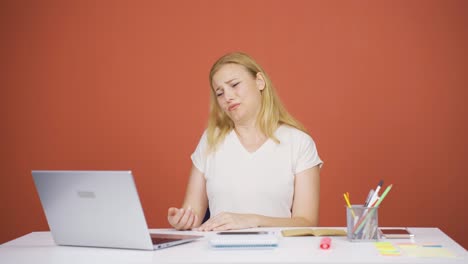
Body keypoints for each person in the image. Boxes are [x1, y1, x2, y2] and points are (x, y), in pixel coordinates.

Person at [167, 52, 322, 231]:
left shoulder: (299, 143)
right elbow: (192, 214)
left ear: (260, 82)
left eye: (234, 85)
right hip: (219, 255)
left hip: (279, 254)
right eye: (220, 93)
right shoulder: (210, 140)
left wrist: (251, 220)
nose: (228, 97)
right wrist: (182, 220)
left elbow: (306, 222)